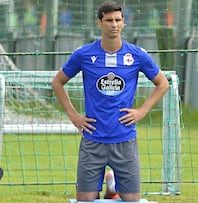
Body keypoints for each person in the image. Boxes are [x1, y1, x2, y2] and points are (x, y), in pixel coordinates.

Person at [51, 0, 169, 201]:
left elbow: (163, 83)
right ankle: (111, 186)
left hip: (124, 138)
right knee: (85, 200)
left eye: (117, 20)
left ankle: (112, 187)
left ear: (123, 23)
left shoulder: (136, 55)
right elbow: (57, 82)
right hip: (93, 138)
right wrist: (73, 115)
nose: (113, 24)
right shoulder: (84, 54)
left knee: (131, 200)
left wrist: (142, 111)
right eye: (108, 20)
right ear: (99, 23)